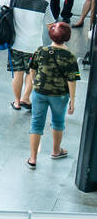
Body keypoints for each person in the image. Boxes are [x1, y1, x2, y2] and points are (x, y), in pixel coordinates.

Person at [26, 22, 80, 168]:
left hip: (39, 92)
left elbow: (32, 69)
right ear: (67, 38)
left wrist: (35, 82)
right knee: (58, 122)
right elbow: (72, 79)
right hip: (59, 95)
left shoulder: (40, 50)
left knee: (36, 123)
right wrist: (72, 100)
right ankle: (56, 151)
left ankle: (33, 158)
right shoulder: (70, 56)